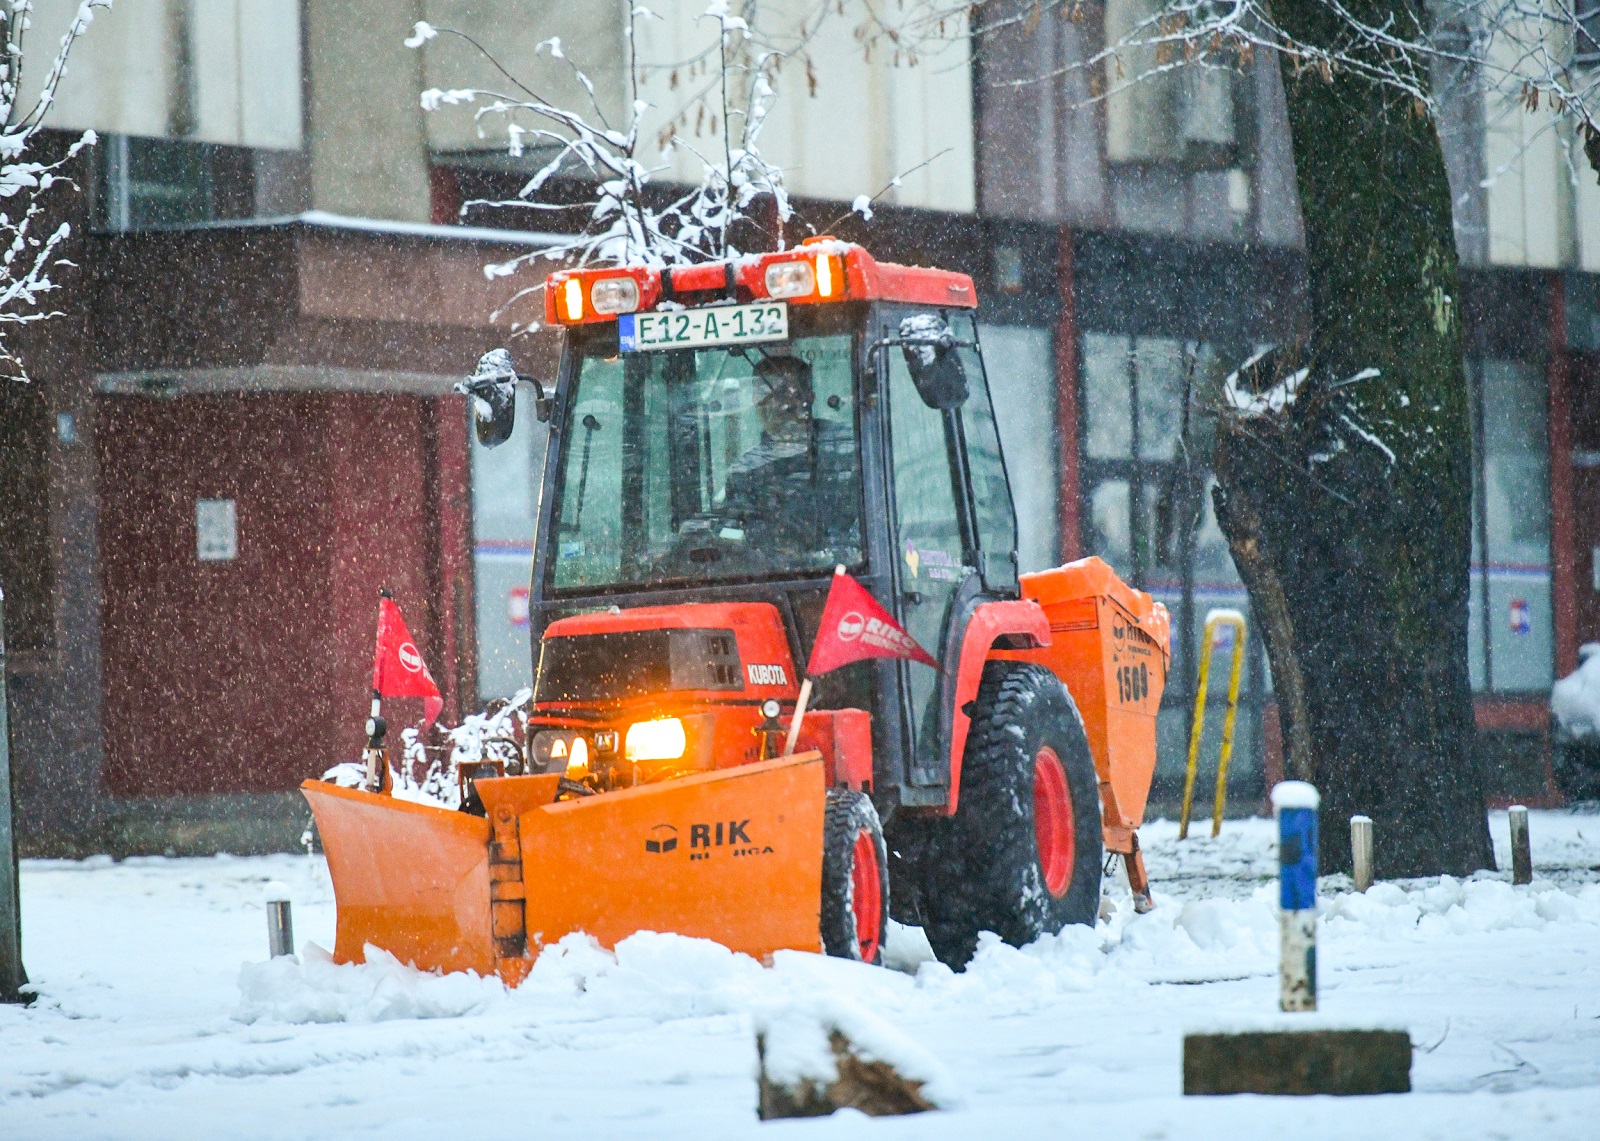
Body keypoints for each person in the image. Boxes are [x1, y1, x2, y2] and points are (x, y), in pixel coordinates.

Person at [718, 355, 860, 560]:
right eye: (764, 395)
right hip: (770, 582)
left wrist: (825, 557)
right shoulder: (745, 469)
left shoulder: (847, 447)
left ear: (809, 397)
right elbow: (730, 535)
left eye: (785, 393)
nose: (776, 405)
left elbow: (870, 527)